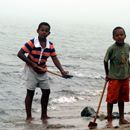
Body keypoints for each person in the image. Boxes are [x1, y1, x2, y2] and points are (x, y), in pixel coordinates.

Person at [17, 22, 69, 121]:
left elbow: (54, 58)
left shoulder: (50, 45)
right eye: (42, 30)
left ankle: (43, 115)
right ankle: (29, 117)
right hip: (31, 70)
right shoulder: (32, 42)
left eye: (46, 31)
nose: (44, 32)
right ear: (37, 31)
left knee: (46, 92)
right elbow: (20, 54)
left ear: (48, 33)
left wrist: (62, 71)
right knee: (30, 93)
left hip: (42, 70)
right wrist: (32, 64)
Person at [104, 26, 130, 128]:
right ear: (113, 37)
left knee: (122, 99)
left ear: (125, 36)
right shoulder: (111, 49)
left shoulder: (127, 46)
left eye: (121, 34)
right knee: (111, 99)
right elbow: (105, 61)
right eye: (117, 35)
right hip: (114, 78)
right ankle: (109, 119)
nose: (119, 37)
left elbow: (127, 60)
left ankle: (121, 119)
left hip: (125, 77)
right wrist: (107, 74)